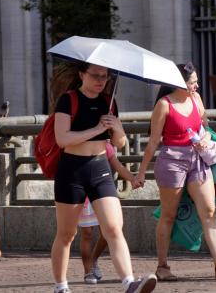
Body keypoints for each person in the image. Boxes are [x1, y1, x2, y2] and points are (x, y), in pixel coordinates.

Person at [50, 62, 157, 293]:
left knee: (114, 227)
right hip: (72, 170)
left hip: (100, 168)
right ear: (82, 75)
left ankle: (129, 282)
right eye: (95, 76)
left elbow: (119, 144)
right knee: (67, 234)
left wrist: (118, 129)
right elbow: (62, 139)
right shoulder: (67, 100)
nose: (100, 81)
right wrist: (98, 129)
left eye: (105, 77)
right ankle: (61, 286)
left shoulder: (109, 102)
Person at [136, 62, 216, 282]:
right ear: (177, 83)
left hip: (197, 160)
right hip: (172, 162)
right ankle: (162, 267)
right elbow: (153, 142)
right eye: (192, 82)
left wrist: (205, 139)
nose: (196, 86)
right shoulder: (164, 105)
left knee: (209, 210)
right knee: (168, 214)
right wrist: (141, 172)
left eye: (195, 81)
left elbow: (206, 129)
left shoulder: (196, 100)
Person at [79, 141, 141, 285]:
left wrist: (132, 178)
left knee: (109, 231)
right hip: (82, 192)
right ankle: (87, 271)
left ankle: (93, 259)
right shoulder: (78, 141)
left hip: (101, 193)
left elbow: (117, 165)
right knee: (86, 233)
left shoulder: (104, 145)